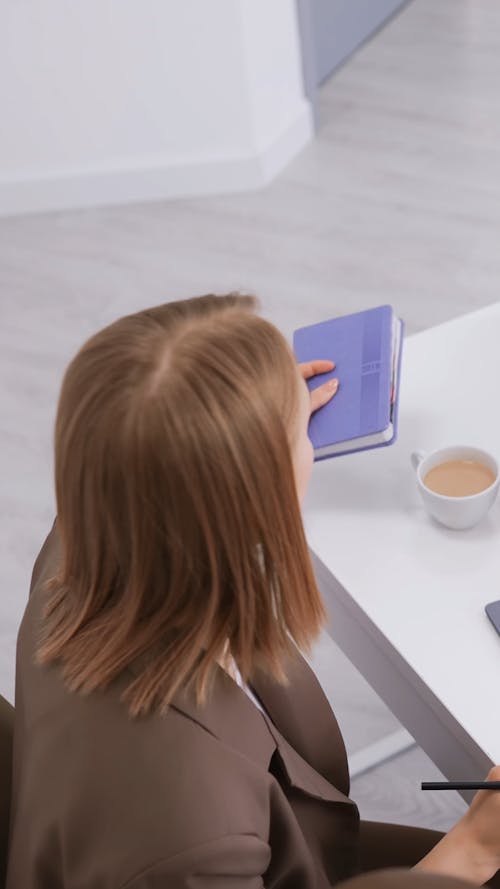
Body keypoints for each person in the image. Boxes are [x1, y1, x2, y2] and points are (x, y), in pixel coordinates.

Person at [6, 294, 500, 888]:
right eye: (299, 438)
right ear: (251, 497)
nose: (310, 443)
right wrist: (473, 847)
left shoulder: (91, 543)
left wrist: (240, 414)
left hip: (300, 836)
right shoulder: (194, 840)